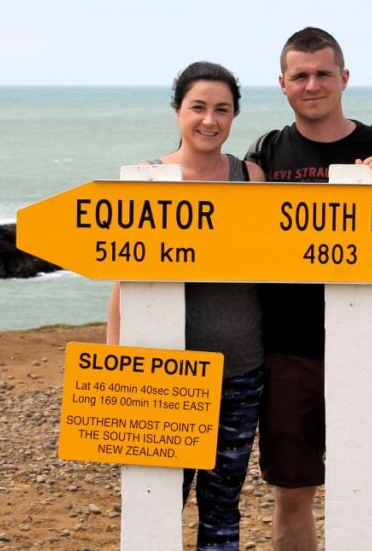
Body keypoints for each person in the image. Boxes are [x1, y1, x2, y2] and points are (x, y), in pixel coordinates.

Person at [245, 27, 372, 551]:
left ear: (344, 78)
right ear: (282, 84)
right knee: (291, 493)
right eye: (300, 75)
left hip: (367, 346)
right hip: (285, 349)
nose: (312, 85)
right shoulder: (264, 152)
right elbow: (241, 238)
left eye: (323, 73)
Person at [106, 61, 265, 551]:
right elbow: (124, 279)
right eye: (198, 107)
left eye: (223, 109)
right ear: (178, 110)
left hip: (242, 370)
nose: (209, 120)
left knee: (222, 506)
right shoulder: (148, 178)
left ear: (235, 115)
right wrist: (115, 363)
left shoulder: (250, 177)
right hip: (166, 376)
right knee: (158, 502)